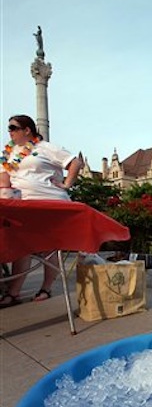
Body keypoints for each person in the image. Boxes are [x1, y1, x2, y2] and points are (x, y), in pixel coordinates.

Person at [0, 114, 83, 308]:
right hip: (21, 205)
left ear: (27, 130)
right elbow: (4, 178)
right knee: (23, 246)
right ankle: (14, 293)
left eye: (13, 128)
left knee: (48, 246)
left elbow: (75, 162)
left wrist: (67, 184)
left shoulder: (44, 147)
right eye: (8, 128)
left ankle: (46, 288)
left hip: (48, 203)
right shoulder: (8, 153)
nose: (9, 132)